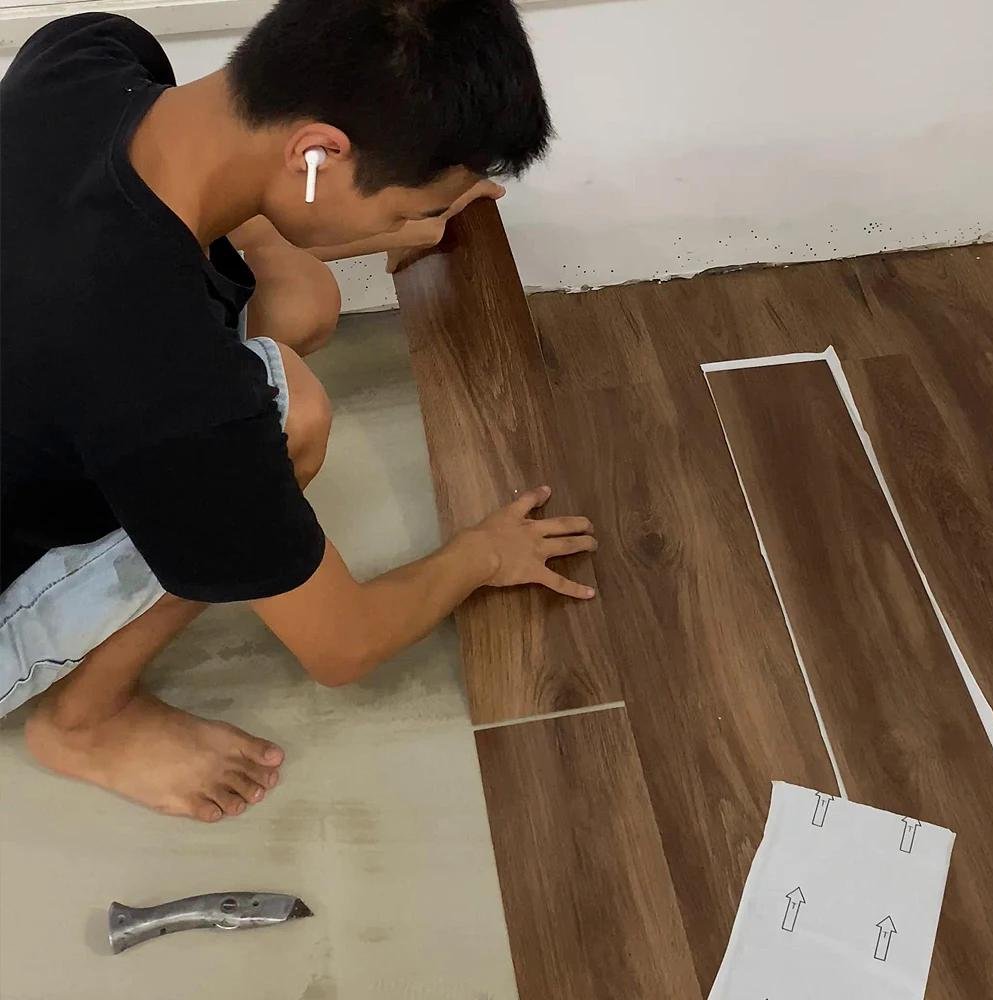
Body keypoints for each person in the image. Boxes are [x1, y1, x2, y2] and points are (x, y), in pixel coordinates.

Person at [0, 0, 598, 822]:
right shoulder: (165, 377)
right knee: (289, 415)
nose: (413, 226)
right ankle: (83, 724)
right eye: (406, 208)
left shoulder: (85, 55)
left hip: (43, 369)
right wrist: (482, 554)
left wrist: (381, 221)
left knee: (299, 298)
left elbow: (181, 215)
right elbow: (343, 645)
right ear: (318, 152)